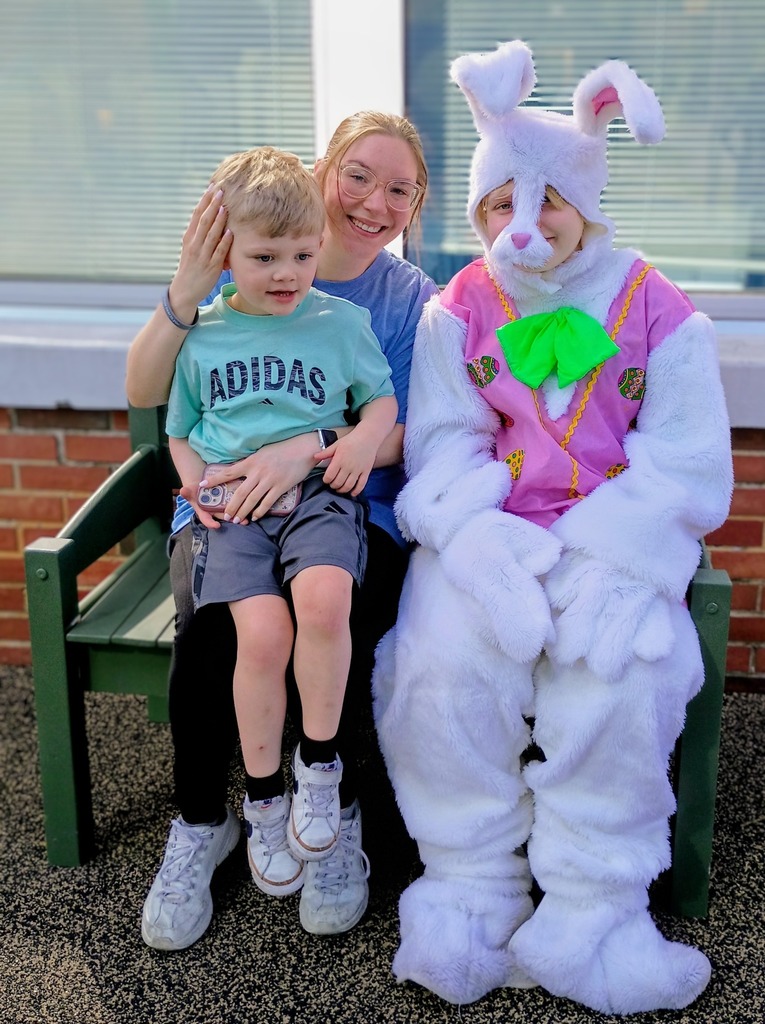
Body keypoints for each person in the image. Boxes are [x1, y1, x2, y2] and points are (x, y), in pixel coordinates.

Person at [372, 41, 733, 1015]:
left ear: (585, 205)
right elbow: (443, 438)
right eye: (498, 207)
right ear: (480, 212)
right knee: (434, 666)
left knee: (625, 669)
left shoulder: (659, 308)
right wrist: (476, 537)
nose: (521, 228)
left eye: (546, 205)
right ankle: (469, 888)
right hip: (497, 529)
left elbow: (691, 457)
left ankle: (591, 915)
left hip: (611, 532)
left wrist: (617, 554)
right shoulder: (460, 309)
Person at [127, 112, 439, 949]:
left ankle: (330, 815)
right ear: (319, 172)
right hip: (225, 507)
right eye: (358, 176)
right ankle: (201, 822)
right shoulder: (236, 269)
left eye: (400, 189)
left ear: (415, 205)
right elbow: (151, 394)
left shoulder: (403, 303)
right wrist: (184, 295)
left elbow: (409, 424)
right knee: (215, 634)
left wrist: (308, 449)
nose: (375, 202)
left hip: (346, 505)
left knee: (344, 612)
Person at [166, 144, 397, 902]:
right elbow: (179, 426)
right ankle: (262, 802)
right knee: (258, 634)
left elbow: (382, 404)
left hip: (321, 497)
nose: (287, 274)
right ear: (225, 249)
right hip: (230, 510)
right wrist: (193, 485)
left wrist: (353, 441)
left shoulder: (343, 321)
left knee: (327, 601)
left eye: (302, 255)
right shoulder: (201, 336)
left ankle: (319, 769)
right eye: (265, 257)